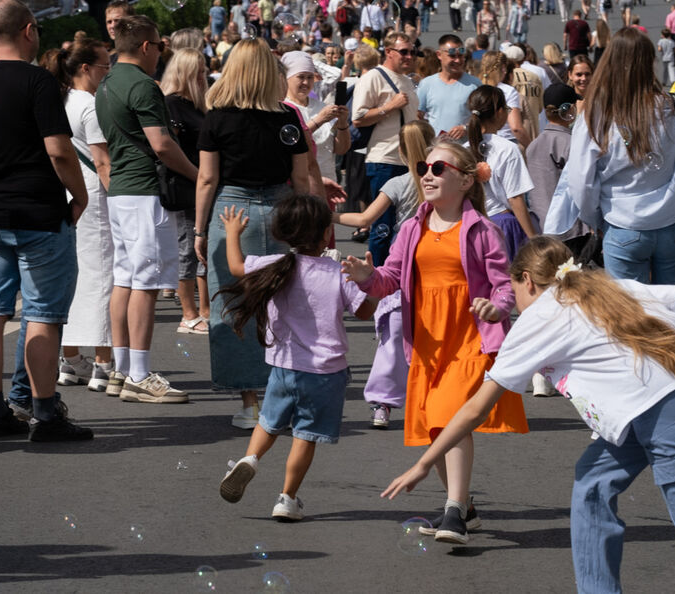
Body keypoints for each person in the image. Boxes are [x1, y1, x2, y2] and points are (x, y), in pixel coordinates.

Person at [382, 236, 675, 594]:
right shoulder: (606, 286)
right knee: (592, 482)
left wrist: (423, 463)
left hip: (658, 411)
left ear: (527, 280)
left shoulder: (538, 319)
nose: (514, 301)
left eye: (514, 290)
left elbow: (477, 406)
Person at [343, 140, 528, 545]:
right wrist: (363, 275)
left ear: (465, 180)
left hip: (469, 338)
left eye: (438, 168)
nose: (427, 174)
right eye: (424, 167)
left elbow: (504, 285)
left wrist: (497, 308)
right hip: (427, 340)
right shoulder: (412, 227)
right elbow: (389, 278)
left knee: (449, 418)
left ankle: (453, 512)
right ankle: (464, 506)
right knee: (436, 427)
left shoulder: (482, 229)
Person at [0, 0, 92, 441]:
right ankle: (46, 416)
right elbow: (57, 149)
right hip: (39, 213)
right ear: (29, 30)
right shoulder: (38, 82)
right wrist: (81, 194)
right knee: (44, 315)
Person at [216, 194, 376, 521]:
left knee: (269, 422)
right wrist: (368, 280)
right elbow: (365, 311)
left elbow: (235, 266)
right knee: (305, 435)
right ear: (325, 236)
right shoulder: (337, 272)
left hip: (283, 367)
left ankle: (249, 460)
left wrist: (232, 232)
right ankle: (287, 498)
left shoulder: (275, 265)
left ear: (283, 233)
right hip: (325, 373)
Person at [195, 38, 313, 429]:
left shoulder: (217, 118)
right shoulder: (288, 119)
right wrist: (308, 225)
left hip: (233, 208)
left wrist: (199, 229)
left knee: (235, 304)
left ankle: (249, 401)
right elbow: (300, 178)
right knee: (284, 301)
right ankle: (285, 391)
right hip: (280, 206)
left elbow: (208, 179)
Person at [545, 28, 675, 288]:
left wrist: (594, 218)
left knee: (629, 315)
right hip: (674, 221)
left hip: (621, 223)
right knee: (674, 309)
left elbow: (580, 180)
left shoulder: (596, 116)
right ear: (650, 63)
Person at [94, 15, 197, 405]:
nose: (161, 53)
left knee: (125, 279)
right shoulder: (142, 85)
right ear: (144, 46)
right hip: (143, 191)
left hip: (121, 190)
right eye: (159, 46)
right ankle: (138, 374)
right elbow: (162, 145)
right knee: (147, 284)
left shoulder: (106, 82)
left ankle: (122, 370)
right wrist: (197, 172)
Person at [335, 120, 434, 428]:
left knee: (393, 335)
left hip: (401, 266)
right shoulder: (444, 184)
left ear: (400, 151)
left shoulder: (397, 183)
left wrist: (328, 215)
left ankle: (383, 403)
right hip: (435, 263)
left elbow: (364, 217)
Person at [41, 40, 115, 392]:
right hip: (94, 194)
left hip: (66, 190)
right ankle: (103, 362)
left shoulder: (61, 99)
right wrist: (120, 200)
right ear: (85, 68)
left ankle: (69, 360)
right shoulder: (91, 104)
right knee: (102, 276)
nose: (108, 72)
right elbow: (102, 161)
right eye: (104, 67)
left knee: (73, 275)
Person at [350, 31, 419, 266]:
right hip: (383, 161)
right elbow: (358, 118)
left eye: (413, 51)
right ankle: (377, 280)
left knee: (407, 226)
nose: (410, 56)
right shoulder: (373, 78)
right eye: (404, 52)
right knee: (382, 227)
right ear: (388, 52)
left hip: (408, 162)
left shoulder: (408, 81)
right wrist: (390, 106)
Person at [161, 48, 211, 336]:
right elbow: (171, 149)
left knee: (201, 248)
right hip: (185, 185)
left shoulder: (198, 105)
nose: (203, 76)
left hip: (202, 185)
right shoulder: (172, 104)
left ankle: (203, 310)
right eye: (199, 71)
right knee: (187, 249)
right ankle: (188, 313)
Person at [465, 85, 537, 258]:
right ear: (498, 112)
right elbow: (515, 198)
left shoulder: (464, 149)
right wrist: (533, 239)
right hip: (503, 225)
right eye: (506, 109)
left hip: (472, 224)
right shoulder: (508, 149)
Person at [282, 51, 350, 184]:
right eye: (300, 77)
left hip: (328, 182)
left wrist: (342, 123)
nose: (306, 83)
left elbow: (340, 149)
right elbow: (292, 142)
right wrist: (319, 121)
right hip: (300, 184)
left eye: (310, 77)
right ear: (287, 78)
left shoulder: (321, 106)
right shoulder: (283, 108)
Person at [524, 82, 576, 228]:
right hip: (568, 226)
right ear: (570, 109)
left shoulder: (533, 145)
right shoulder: (570, 143)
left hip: (540, 223)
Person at [417, 34, 481, 139]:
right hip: (437, 150)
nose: (458, 60)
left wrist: (465, 128)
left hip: (465, 151)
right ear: (439, 55)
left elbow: (483, 117)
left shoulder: (474, 84)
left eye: (460, 55)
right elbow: (418, 115)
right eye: (452, 56)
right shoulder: (426, 84)